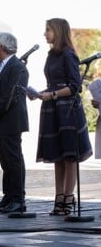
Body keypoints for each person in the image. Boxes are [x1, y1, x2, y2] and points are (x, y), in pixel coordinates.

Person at [35, 18, 92, 216]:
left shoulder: (68, 54)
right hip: (52, 108)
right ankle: (59, 196)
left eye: (48, 30)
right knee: (57, 155)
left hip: (67, 109)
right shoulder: (51, 55)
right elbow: (54, 83)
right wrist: (40, 93)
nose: (45, 34)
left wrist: (52, 95)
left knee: (69, 155)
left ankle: (68, 197)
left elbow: (75, 86)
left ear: (58, 31)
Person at [0, 32, 29, 213]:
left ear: (2, 47)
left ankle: (18, 198)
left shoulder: (18, 67)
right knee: (5, 160)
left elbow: (11, 95)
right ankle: (8, 196)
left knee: (13, 159)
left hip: (11, 120)